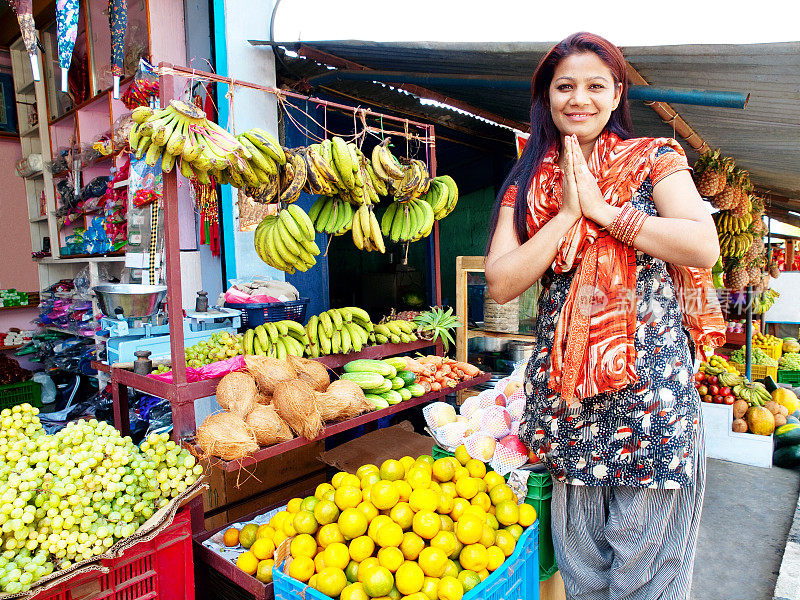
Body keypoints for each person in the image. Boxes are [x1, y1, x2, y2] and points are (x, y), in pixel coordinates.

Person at [484, 32, 726, 600]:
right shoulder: (527, 183)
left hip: (650, 407)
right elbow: (501, 282)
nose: (580, 99)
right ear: (546, 98)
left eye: (596, 86)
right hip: (569, 409)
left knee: (647, 580)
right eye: (564, 86)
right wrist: (569, 212)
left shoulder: (653, 160)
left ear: (617, 94)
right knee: (584, 574)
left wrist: (603, 210)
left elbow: (701, 245)